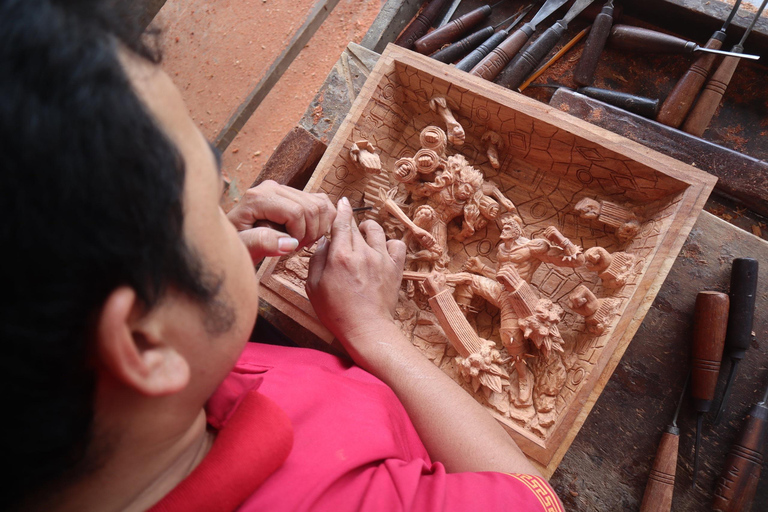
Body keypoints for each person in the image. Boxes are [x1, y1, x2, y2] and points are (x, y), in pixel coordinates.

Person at [0, 1, 564, 510]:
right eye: (213, 195)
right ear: (143, 341)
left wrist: (201, 281)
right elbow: (532, 499)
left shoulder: (114, 404)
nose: (233, 207)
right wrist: (374, 332)